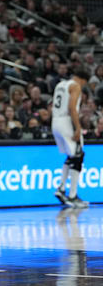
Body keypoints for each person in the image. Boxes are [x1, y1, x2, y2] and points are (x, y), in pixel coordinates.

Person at [52, 68, 90, 208]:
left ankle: (61, 188)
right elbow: (72, 108)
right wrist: (78, 127)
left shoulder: (60, 84)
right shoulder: (75, 86)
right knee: (79, 155)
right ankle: (73, 196)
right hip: (67, 122)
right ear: (82, 80)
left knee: (72, 156)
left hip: (55, 121)